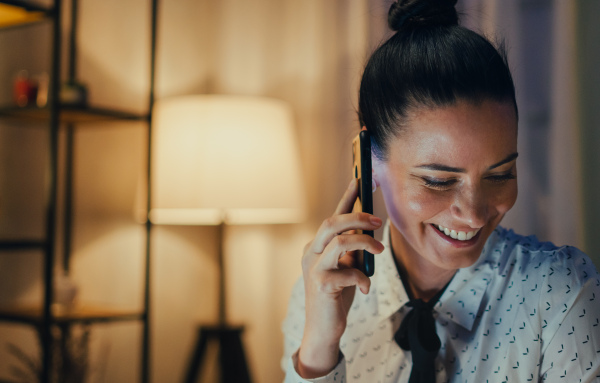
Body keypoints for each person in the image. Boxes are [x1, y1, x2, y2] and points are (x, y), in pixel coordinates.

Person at [281, 0, 600, 382]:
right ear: (368, 162)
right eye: (438, 180)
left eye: (500, 174)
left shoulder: (560, 292)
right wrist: (320, 345)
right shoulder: (319, 292)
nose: (475, 213)